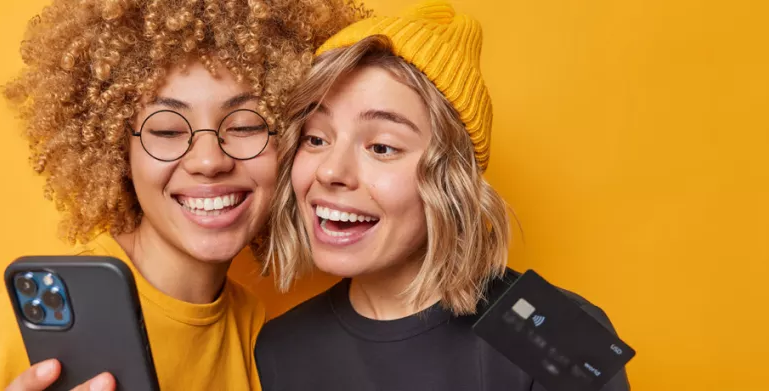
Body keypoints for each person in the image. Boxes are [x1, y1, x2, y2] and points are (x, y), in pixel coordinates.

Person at [0, 1, 363, 390]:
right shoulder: (31, 329)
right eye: (168, 131)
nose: (209, 161)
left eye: (244, 127)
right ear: (119, 149)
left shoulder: (258, 327)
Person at [254, 1, 632, 390]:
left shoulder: (559, 331)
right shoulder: (279, 349)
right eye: (315, 138)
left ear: (451, 178)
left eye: (382, 147)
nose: (330, 171)